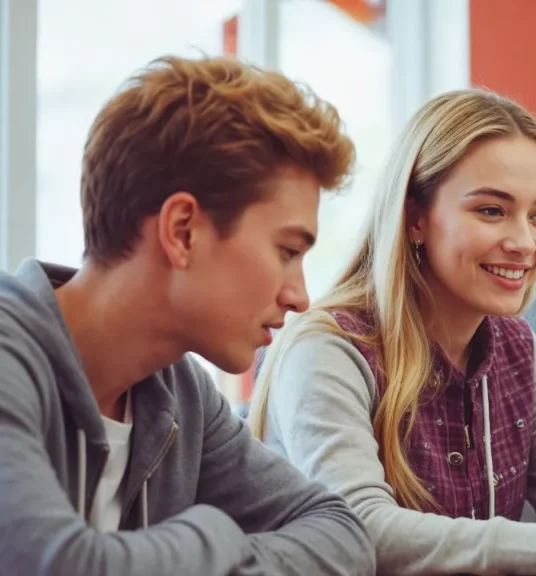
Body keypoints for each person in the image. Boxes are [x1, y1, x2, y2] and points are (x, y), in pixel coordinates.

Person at [248, 88, 536, 575]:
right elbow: (360, 528)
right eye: (491, 211)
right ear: (415, 218)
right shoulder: (328, 348)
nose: (524, 242)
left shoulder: (515, 347)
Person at [0, 55, 376, 575]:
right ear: (182, 231)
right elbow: (60, 565)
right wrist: (214, 532)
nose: (299, 297)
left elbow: (341, 533)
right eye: (287, 250)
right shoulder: (8, 358)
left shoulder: (181, 395)